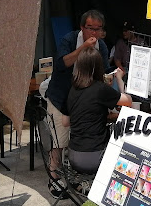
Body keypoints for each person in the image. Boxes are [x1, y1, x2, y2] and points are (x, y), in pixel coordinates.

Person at [45, 10, 110, 197]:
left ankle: (78, 179)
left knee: (83, 139)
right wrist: (83, 49)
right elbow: (61, 63)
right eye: (91, 29)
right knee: (60, 139)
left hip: (85, 101)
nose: (94, 33)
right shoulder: (70, 39)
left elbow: (103, 71)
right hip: (61, 98)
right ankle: (54, 177)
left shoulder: (102, 46)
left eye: (98, 29)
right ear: (82, 27)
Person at [65, 48, 132, 173]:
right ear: (99, 66)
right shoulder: (100, 89)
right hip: (95, 156)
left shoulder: (73, 89)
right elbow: (128, 101)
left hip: (73, 155)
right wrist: (119, 78)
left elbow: (65, 121)